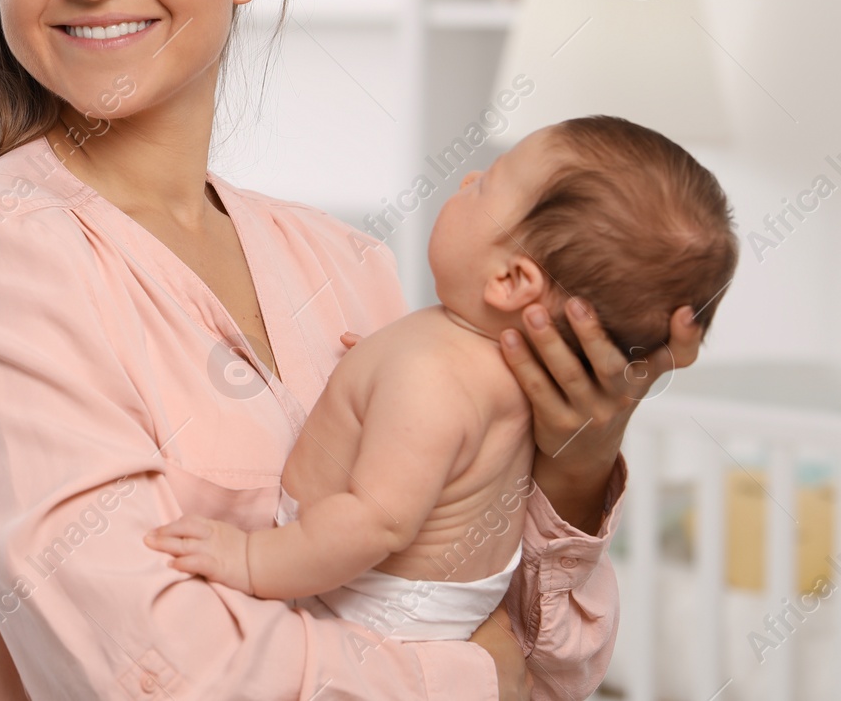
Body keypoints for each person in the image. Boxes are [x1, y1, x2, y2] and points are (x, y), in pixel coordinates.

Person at [0, 0, 704, 700]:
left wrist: (575, 470)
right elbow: (160, 673)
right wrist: (472, 677)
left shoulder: (343, 264)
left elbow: (552, 664)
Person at [145, 117, 738, 644]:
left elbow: (376, 520)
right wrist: (373, 367)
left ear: (509, 280)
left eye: (486, 186)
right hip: (433, 617)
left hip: (370, 618)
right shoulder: (483, 370)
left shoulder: (429, 378)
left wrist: (248, 557)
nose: (466, 179)